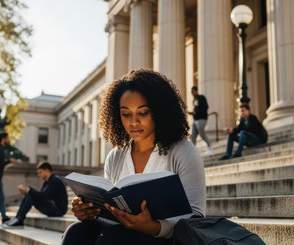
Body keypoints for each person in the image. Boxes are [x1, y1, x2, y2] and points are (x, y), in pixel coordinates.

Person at [62, 69, 206, 245]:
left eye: (143, 112)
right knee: (77, 232)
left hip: (167, 239)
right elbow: (112, 218)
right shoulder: (115, 156)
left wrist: (154, 226)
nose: (134, 122)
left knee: (113, 239)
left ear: (159, 111)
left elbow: (197, 217)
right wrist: (91, 214)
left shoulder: (183, 151)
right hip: (121, 236)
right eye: (126, 114)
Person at [2, 161, 68, 228]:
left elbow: (43, 195)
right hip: (53, 207)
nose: (39, 175)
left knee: (31, 195)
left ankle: (19, 219)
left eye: (40, 172)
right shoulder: (47, 182)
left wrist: (28, 189)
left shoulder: (55, 179)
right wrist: (27, 191)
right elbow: (41, 196)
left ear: (46, 171)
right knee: (29, 195)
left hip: (58, 210)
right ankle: (18, 218)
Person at [188, 86, 213, 154]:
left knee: (202, 134)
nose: (192, 93)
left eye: (193, 92)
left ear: (196, 91)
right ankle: (193, 152)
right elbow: (195, 110)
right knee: (193, 136)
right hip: (195, 120)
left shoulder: (201, 97)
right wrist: (191, 112)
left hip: (202, 119)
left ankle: (210, 147)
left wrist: (196, 112)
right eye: (191, 92)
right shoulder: (194, 100)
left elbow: (205, 107)